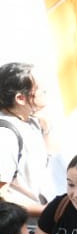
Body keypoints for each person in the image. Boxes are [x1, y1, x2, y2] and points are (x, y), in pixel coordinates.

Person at [0, 63, 55, 218]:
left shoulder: (32, 119)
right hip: (29, 225)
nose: (45, 91)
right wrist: (46, 211)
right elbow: (2, 196)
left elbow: (50, 159)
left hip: (46, 209)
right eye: (40, 89)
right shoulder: (6, 137)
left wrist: (46, 129)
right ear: (20, 98)